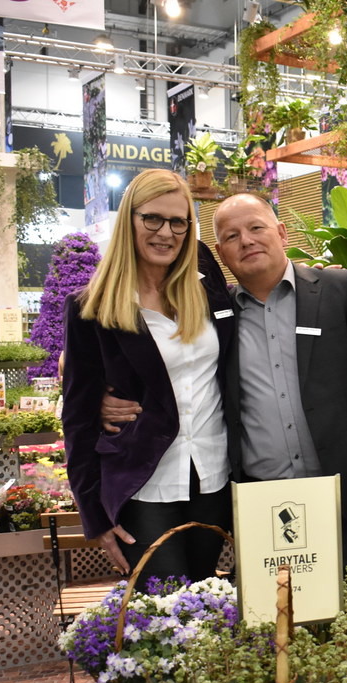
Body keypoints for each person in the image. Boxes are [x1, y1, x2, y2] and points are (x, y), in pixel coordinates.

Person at [105, 192, 347, 570]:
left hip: (339, 489)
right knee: (273, 603)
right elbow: (176, 366)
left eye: (256, 228)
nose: (246, 241)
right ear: (220, 253)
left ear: (281, 233)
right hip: (260, 497)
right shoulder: (216, 313)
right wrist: (103, 396)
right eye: (232, 236)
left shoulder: (339, 291)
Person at [61, 168, 236, 584]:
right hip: (144, 485)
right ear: (130, 220)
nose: (166, 233)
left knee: (207, 601)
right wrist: (95, 516)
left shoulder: (205, 281)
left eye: (178, 222)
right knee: (164, 607)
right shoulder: (92, 307)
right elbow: (78, 420)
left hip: (213, 476)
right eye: (152, 219)